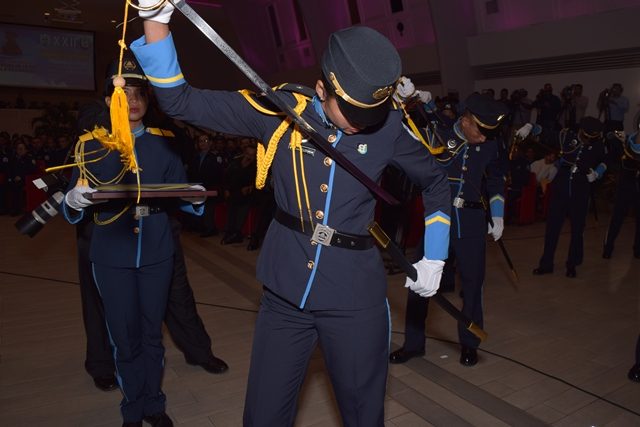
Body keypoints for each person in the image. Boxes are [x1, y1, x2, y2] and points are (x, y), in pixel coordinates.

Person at [133, 4, 451, 425]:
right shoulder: (279, 112)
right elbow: (180, 100)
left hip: (354, 296)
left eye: (368, 114)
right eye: (351, 112)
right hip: (286, 292)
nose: (361, 124)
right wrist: (156, 21)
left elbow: (436, 182)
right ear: (321, 89)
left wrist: (435, 256)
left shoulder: (388, 127)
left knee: (363, 416)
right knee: (263, 416)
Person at [62, 56, 207, 427]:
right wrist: (74, 201)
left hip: (156, 248)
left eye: (140, 93)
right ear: (109, 100)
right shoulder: (90, 146)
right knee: (124, 337)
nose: (134, 100)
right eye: (124, 93)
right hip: (111, 252)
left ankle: (154, 403)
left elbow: (178, 195)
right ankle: (132, 408)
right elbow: (71, 204)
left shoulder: (164, 143)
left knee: (152, 335)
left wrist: (193, 199)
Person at [389, 93, 508, 367]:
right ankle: (413, 344)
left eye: (489, 132)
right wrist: (408, 102)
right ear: (465, 120)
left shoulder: (490, 145)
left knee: (473, 285)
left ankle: (469, 344)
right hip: (438, 223)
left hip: (471, 223)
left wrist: (497, 213)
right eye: (479, 129)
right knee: (419, 284)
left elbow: (496, 179)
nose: (484, 137)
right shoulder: (440, 135)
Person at [532, 117, 608, 278]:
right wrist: (531, 127)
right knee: (552, 227)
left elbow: (605, 160)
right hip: (561, 186)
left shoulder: (598, 145)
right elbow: (548, 134)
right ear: (581, 131)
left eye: (591, 138)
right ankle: (546, 264)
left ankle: (572, 264)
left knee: (577, 229)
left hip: (581, 188)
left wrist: (597, 173)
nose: (588, 140)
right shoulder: (567, 136)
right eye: (586, 136)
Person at [602, 130, 640, 259]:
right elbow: (609, 138)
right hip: (625, 185)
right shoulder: (627, 141)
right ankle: (608, 247)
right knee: (617, 217)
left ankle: (638, 249)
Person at [188, 133, 224, 237]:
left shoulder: (215, 157)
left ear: (210, 143)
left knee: (208, 209)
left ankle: (210, 228)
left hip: (210, 187)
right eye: (200, 141)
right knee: (198, 207)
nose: (203, 143)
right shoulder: (195, 157)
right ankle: (201, 227)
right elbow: (192, 172)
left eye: (205, 141)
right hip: (197, 187)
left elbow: (217, 174)